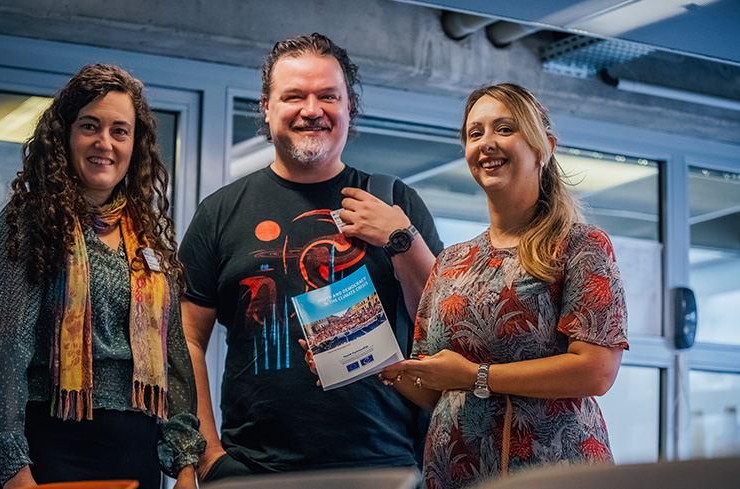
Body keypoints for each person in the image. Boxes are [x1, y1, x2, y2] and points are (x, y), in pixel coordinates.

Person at [178, 33, 444, 482]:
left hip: (381, 465)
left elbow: (440, 325)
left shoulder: (395, 201)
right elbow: (185, 339)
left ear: (348, 107)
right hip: (253, 469)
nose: (312, 109)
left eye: (328, 96)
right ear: (267, 107)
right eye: (294, 96)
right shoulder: (220, 212)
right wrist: (206, 456)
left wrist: (401, 238)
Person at [0, 64, 205, 489]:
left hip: (138, 457)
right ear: (65, 135)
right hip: (51, 453)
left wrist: (185, 465)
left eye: (119, 131)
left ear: (135, 145)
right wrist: (14, 473)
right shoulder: (29, 221)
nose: (104, 143)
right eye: (90, 126)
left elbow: (174, 359)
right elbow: (2, 352)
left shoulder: (147, 236)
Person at [380, 83, 629, 489]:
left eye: (505, 129)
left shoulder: (581, 246)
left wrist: (477, 376)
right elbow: (435, 388)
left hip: (552, 471)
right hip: (456, 472)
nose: (486, 143)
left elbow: (596, 372)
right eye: (475, 133)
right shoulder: (451, 261)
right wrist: (366, 362)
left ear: (544, 147)